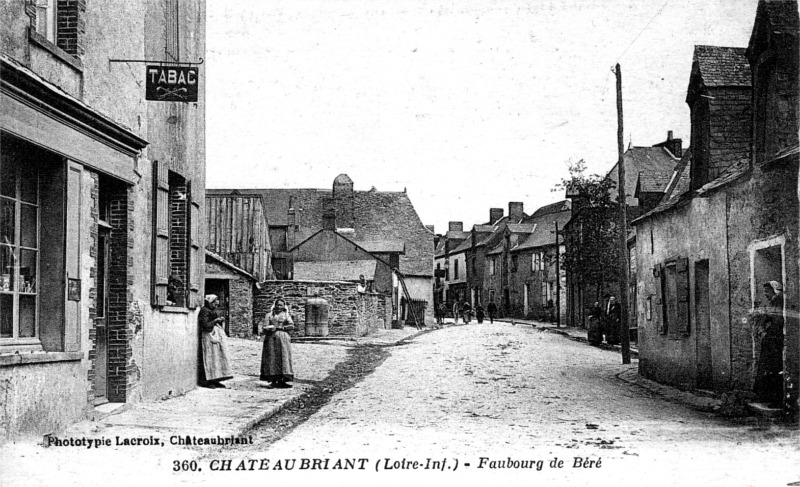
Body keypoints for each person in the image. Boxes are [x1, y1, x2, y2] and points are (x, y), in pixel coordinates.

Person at [753, 281, 784, 406]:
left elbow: (777, 320)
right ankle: (767, 397)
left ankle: (776, 399)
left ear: (774, 290)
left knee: (775, 368)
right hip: (770, 340)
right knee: (768, 368)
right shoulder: (772, 303)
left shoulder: (779, 302)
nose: (765, 294)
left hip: (776, 341)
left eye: (767, 291)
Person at [259, 298, 295, 388]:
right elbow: (264, 326)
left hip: (283, 339)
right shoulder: (269, 315)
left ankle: (283, 380)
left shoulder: (286, 315)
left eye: (281, 305)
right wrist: (268, 328)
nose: (279, 307)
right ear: (274, 305)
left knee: (283, 357)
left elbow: (291, 325)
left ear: (283, 306)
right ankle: (273, 380)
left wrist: (283, 328)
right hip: (271, 338)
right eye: (277, 305)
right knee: (272, 357)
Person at [198, 295, 232, 388]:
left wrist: (219, 321)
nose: (215, 305)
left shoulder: (212, 310)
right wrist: (216, 320)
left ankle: (216, 379)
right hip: (208, 336)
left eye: (216, 304)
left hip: (215, 335)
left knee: (217, 358)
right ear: (209, 302)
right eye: (214, 303)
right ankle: (208, 381)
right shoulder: (204, 311)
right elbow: (205, 325)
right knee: (209, 358)